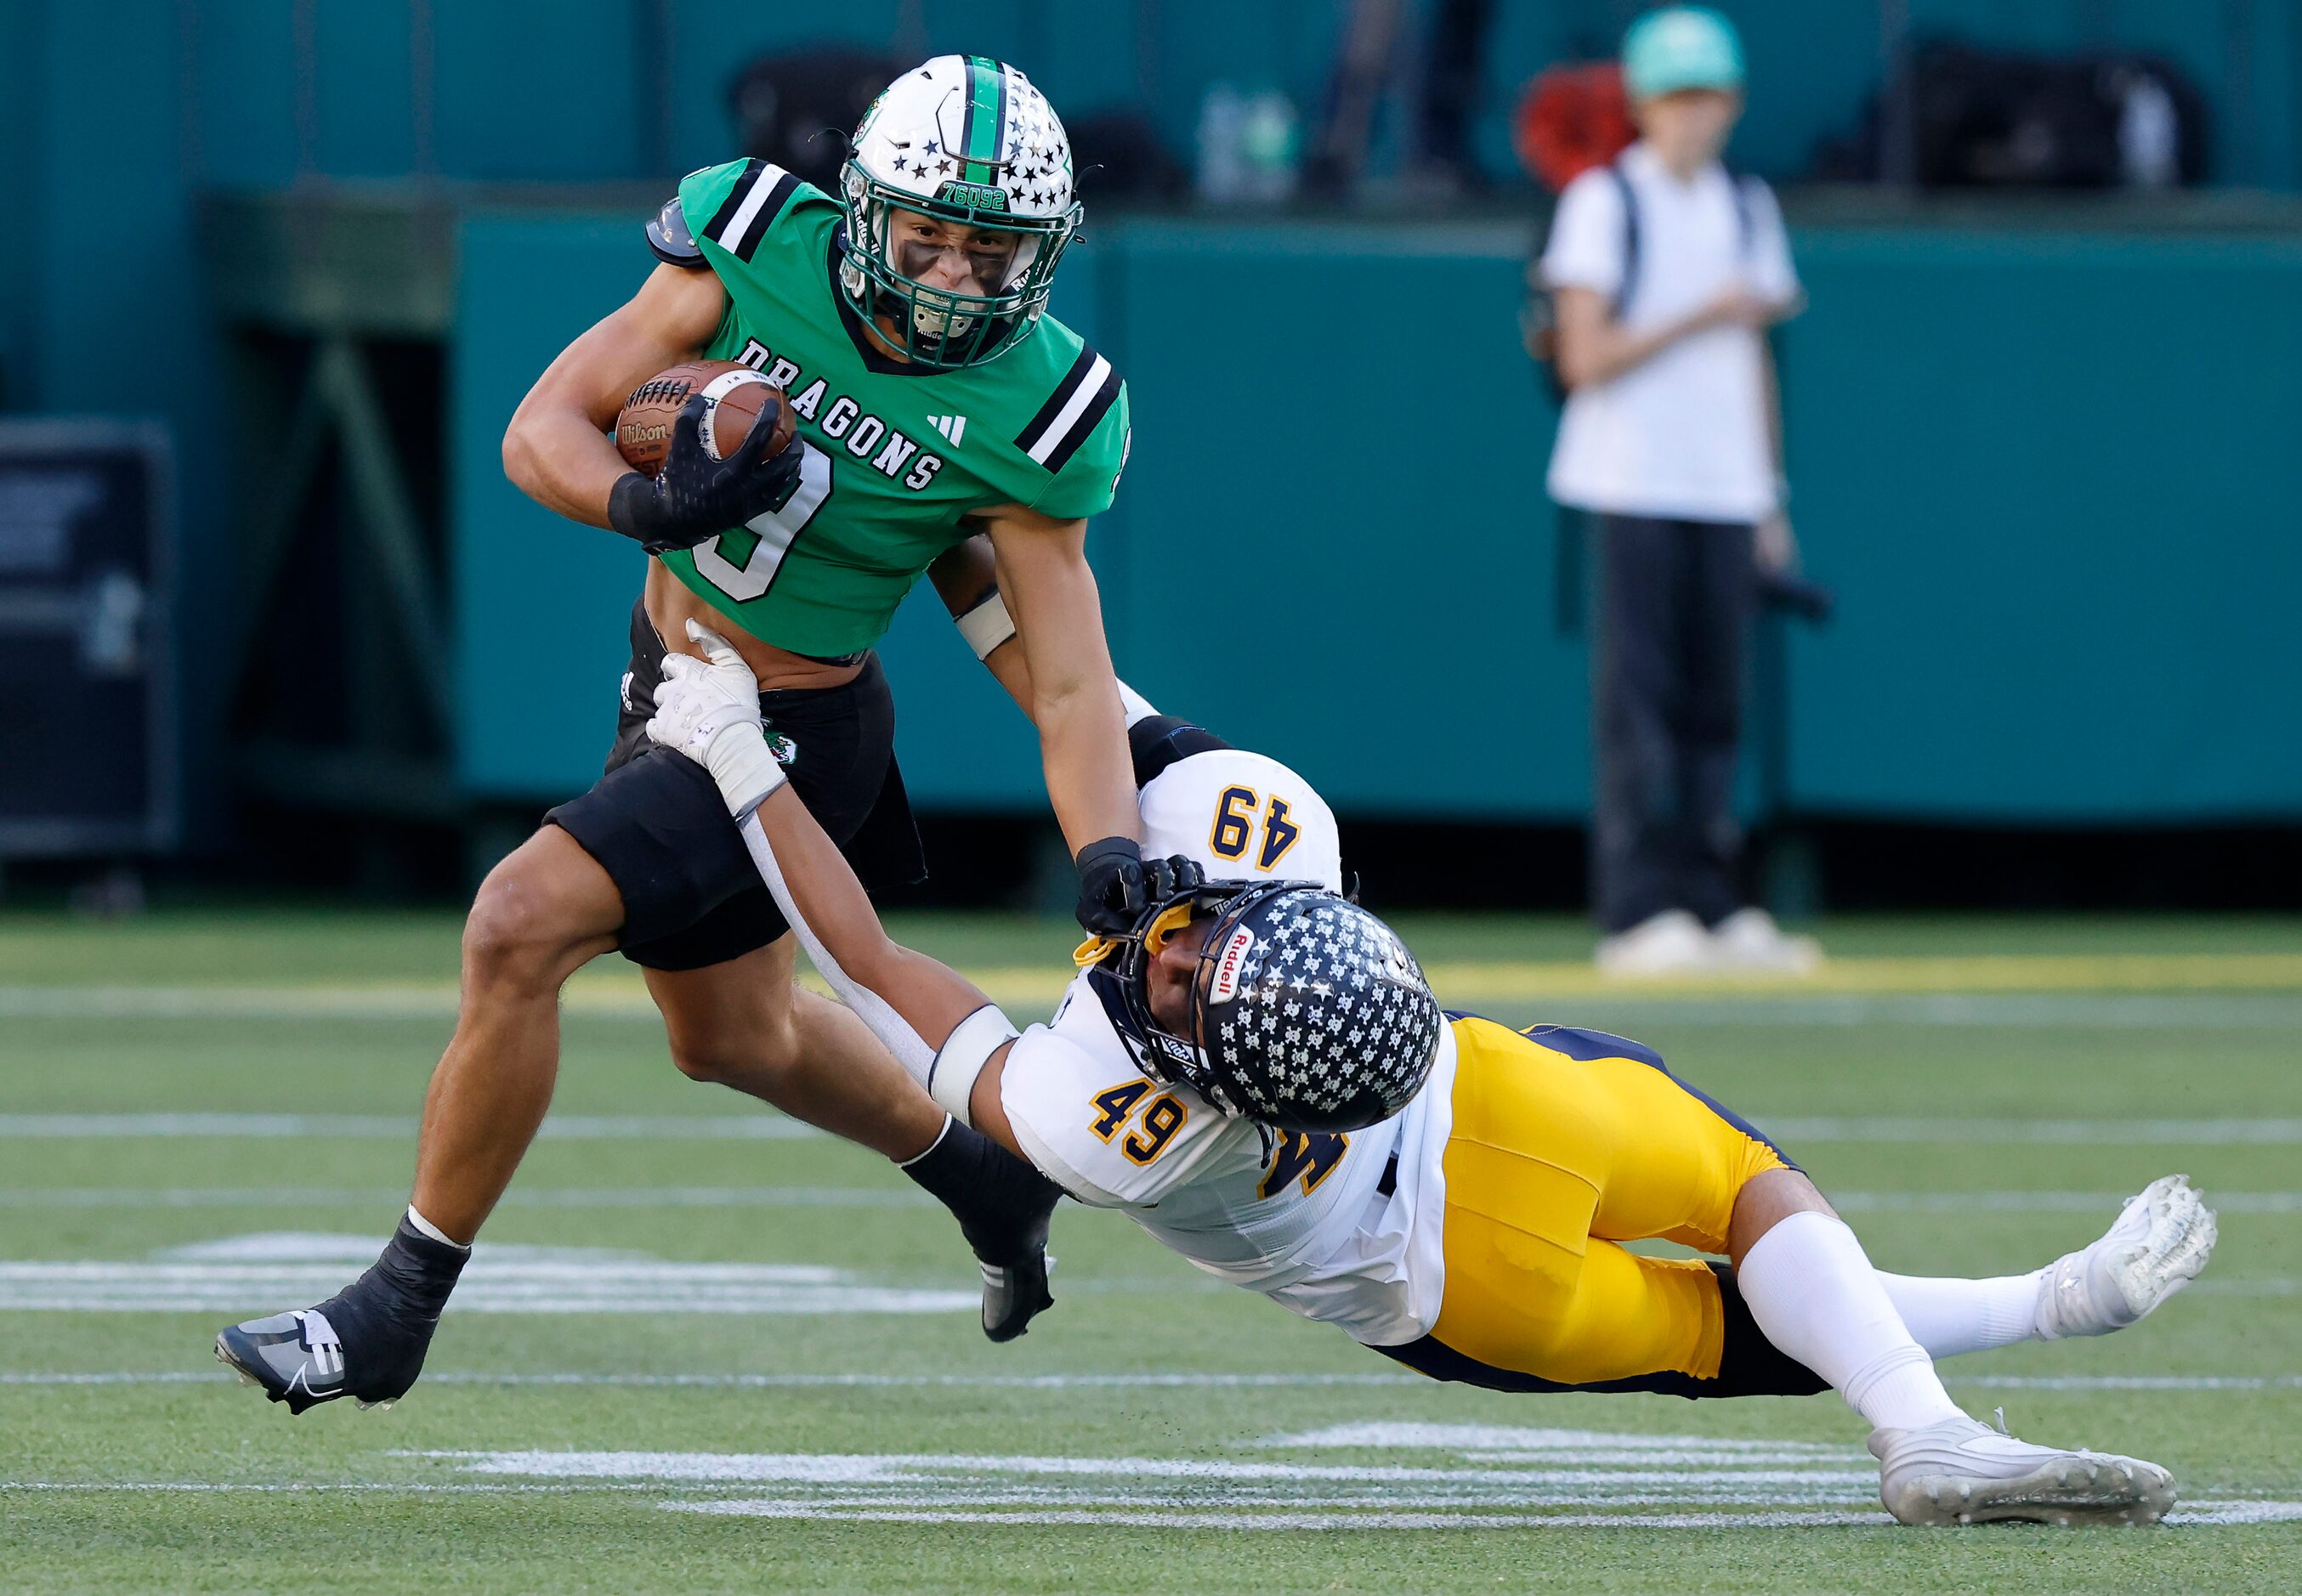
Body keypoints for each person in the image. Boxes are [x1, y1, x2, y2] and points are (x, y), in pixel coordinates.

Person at [638, 625, 2218, 1527]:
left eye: (1182, 976)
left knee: (1730, 1309)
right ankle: (1991, 1361)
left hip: (1444, 1286)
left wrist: (738, 754)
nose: (1161, 958)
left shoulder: (1107, 1118)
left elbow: (874, 964)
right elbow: (1075, 680)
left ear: (1203, 1062)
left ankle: (1958, 1399)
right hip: (1499, 1110)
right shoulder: (1276, 842)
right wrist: (985, 553)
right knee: (1754, 1210)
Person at [217, 57, 1177, 1413]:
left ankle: (393, 1309)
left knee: (515, 921)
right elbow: (541, 425)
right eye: (931, 236)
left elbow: (1072, 681)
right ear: (863, 212)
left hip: (790, 726)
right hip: (664, 678)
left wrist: (1108, 849)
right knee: (733, 1035)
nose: (959, 276)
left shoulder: (1040, 406)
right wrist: (640, 505)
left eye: (994, 250)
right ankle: (993, 1180)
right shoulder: (755, 239)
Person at [1542, 8, 1812, 976]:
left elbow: (1755, 364)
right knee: (1638, 704)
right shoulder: (1603, 202)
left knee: (1716, 707)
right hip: (1630, 483)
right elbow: (1584, 355)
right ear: (1643, 107)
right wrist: (1702, 311)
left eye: (1707, 98)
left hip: (1727, 494)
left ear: (1731, 105)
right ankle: (1634, 911)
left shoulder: (1747, 207)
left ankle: (1711, 900)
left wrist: (1768, 496)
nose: (1692, 118)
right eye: (1673, 98)